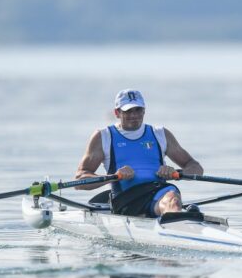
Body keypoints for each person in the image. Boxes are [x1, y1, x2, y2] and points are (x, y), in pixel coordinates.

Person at [75, 89, 203, 217]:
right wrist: (114, 176)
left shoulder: (160, 134)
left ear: (144, 110)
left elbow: (196, 168)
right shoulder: (104, 136)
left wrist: (176, 173)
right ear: (117, 113)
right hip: (127, 200)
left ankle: (175, 218)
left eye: (138, 110)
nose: (134, 115)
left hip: (159, 193)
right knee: (171, 200)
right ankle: (175, 219)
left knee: (173, 199)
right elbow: (81, 179)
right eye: (128, 111)